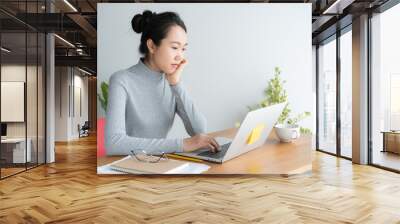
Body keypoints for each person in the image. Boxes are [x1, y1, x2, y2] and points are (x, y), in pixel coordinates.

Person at [105, 10, 219, 156]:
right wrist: (183, 144)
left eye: (183, 49)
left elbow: (199, 131)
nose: (180, 56)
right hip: (128, 168)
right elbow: (114, 144)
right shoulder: (121, 80)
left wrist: (176, 84)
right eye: (174, 47)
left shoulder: (171, 82)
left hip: (159, 165)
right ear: (152, 46)